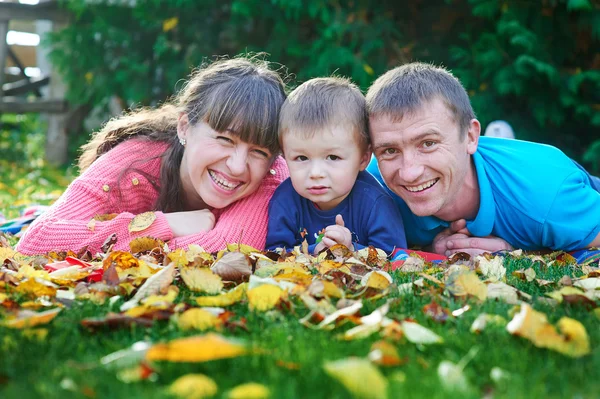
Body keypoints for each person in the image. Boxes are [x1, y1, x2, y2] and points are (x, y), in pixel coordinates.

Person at [17, 57, 289, 255]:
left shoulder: (271, 174)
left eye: (258, 151)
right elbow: (37, 241)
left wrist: (103, 242)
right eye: (224, 139)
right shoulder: (136, 163)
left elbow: (227, 249)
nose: (238, 166)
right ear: (185, 127)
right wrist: (162, 225)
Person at [365, 62, 600, 257]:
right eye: (389, 151)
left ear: (470, 137)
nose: (409, 172)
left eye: (428, 143)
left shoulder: (545, 195)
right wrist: (429, 250)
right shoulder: (371, 186)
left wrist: (518, 253)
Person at [265, 77, 407, 255]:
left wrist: (351, 250)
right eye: (301, 158)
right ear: (285, 156)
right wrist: (312, 251)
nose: (316, 173)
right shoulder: (285, 200)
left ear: (363, 158)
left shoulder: (376, 203)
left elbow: (395, 256)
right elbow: (273, 252)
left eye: (332, 157)